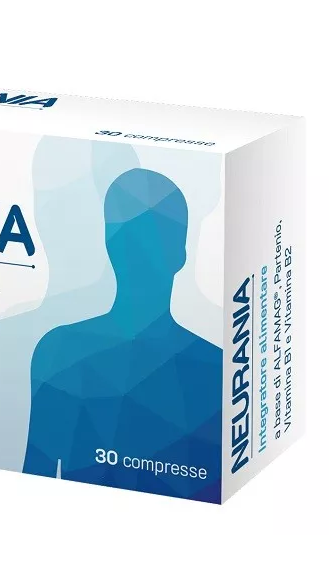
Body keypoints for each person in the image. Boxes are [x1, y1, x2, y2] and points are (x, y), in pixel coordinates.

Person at [23, 168, 223, 501]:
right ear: (181, 254)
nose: (141, 252)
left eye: (151, 238)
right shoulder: (216, 368)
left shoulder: (61, 351)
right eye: (133, 237)